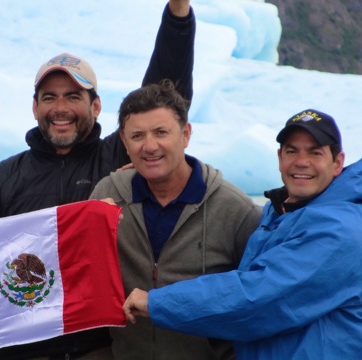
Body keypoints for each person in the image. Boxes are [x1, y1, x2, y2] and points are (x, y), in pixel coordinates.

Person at [0, 1, 195, 359]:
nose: (60, 108)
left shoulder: (121, 157)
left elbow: (165, 88)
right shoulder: (2, 180)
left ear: (95, 107)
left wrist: (178, 15)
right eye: (49, 97)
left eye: (73, 97)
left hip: (106, 348)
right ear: (35, 108)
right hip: (28, 351)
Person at [122, 109, 362, 359]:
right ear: (279, 158)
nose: (302, 162)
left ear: (337, 163)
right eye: (292, 151)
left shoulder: (339, 229)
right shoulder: (283, 213)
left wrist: (157, 302)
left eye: (315, 153)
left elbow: (257, 298)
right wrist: (153, 177)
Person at [88, 80, 262, 359]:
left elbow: (257, 299)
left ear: (186, 134)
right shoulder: (107, 196)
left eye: (161, 132)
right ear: (124, 141)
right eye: (137, 136)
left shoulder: (236, 211)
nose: (150, 146)